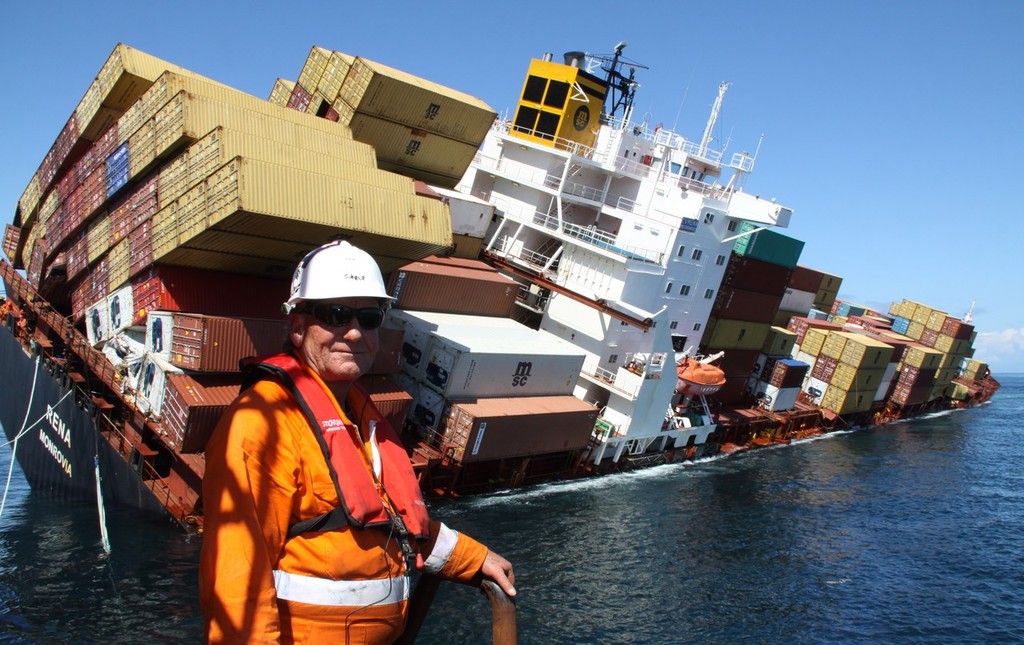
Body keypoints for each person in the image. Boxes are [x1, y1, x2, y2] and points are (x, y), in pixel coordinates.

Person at [199, 240, 515, 643]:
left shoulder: (361, 417)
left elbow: (393, 525)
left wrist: (473, 558)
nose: (353, 331)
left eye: (368, 317)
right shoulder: (262, 423)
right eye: (335, 315)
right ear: (297, 327)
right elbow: (236, 578)